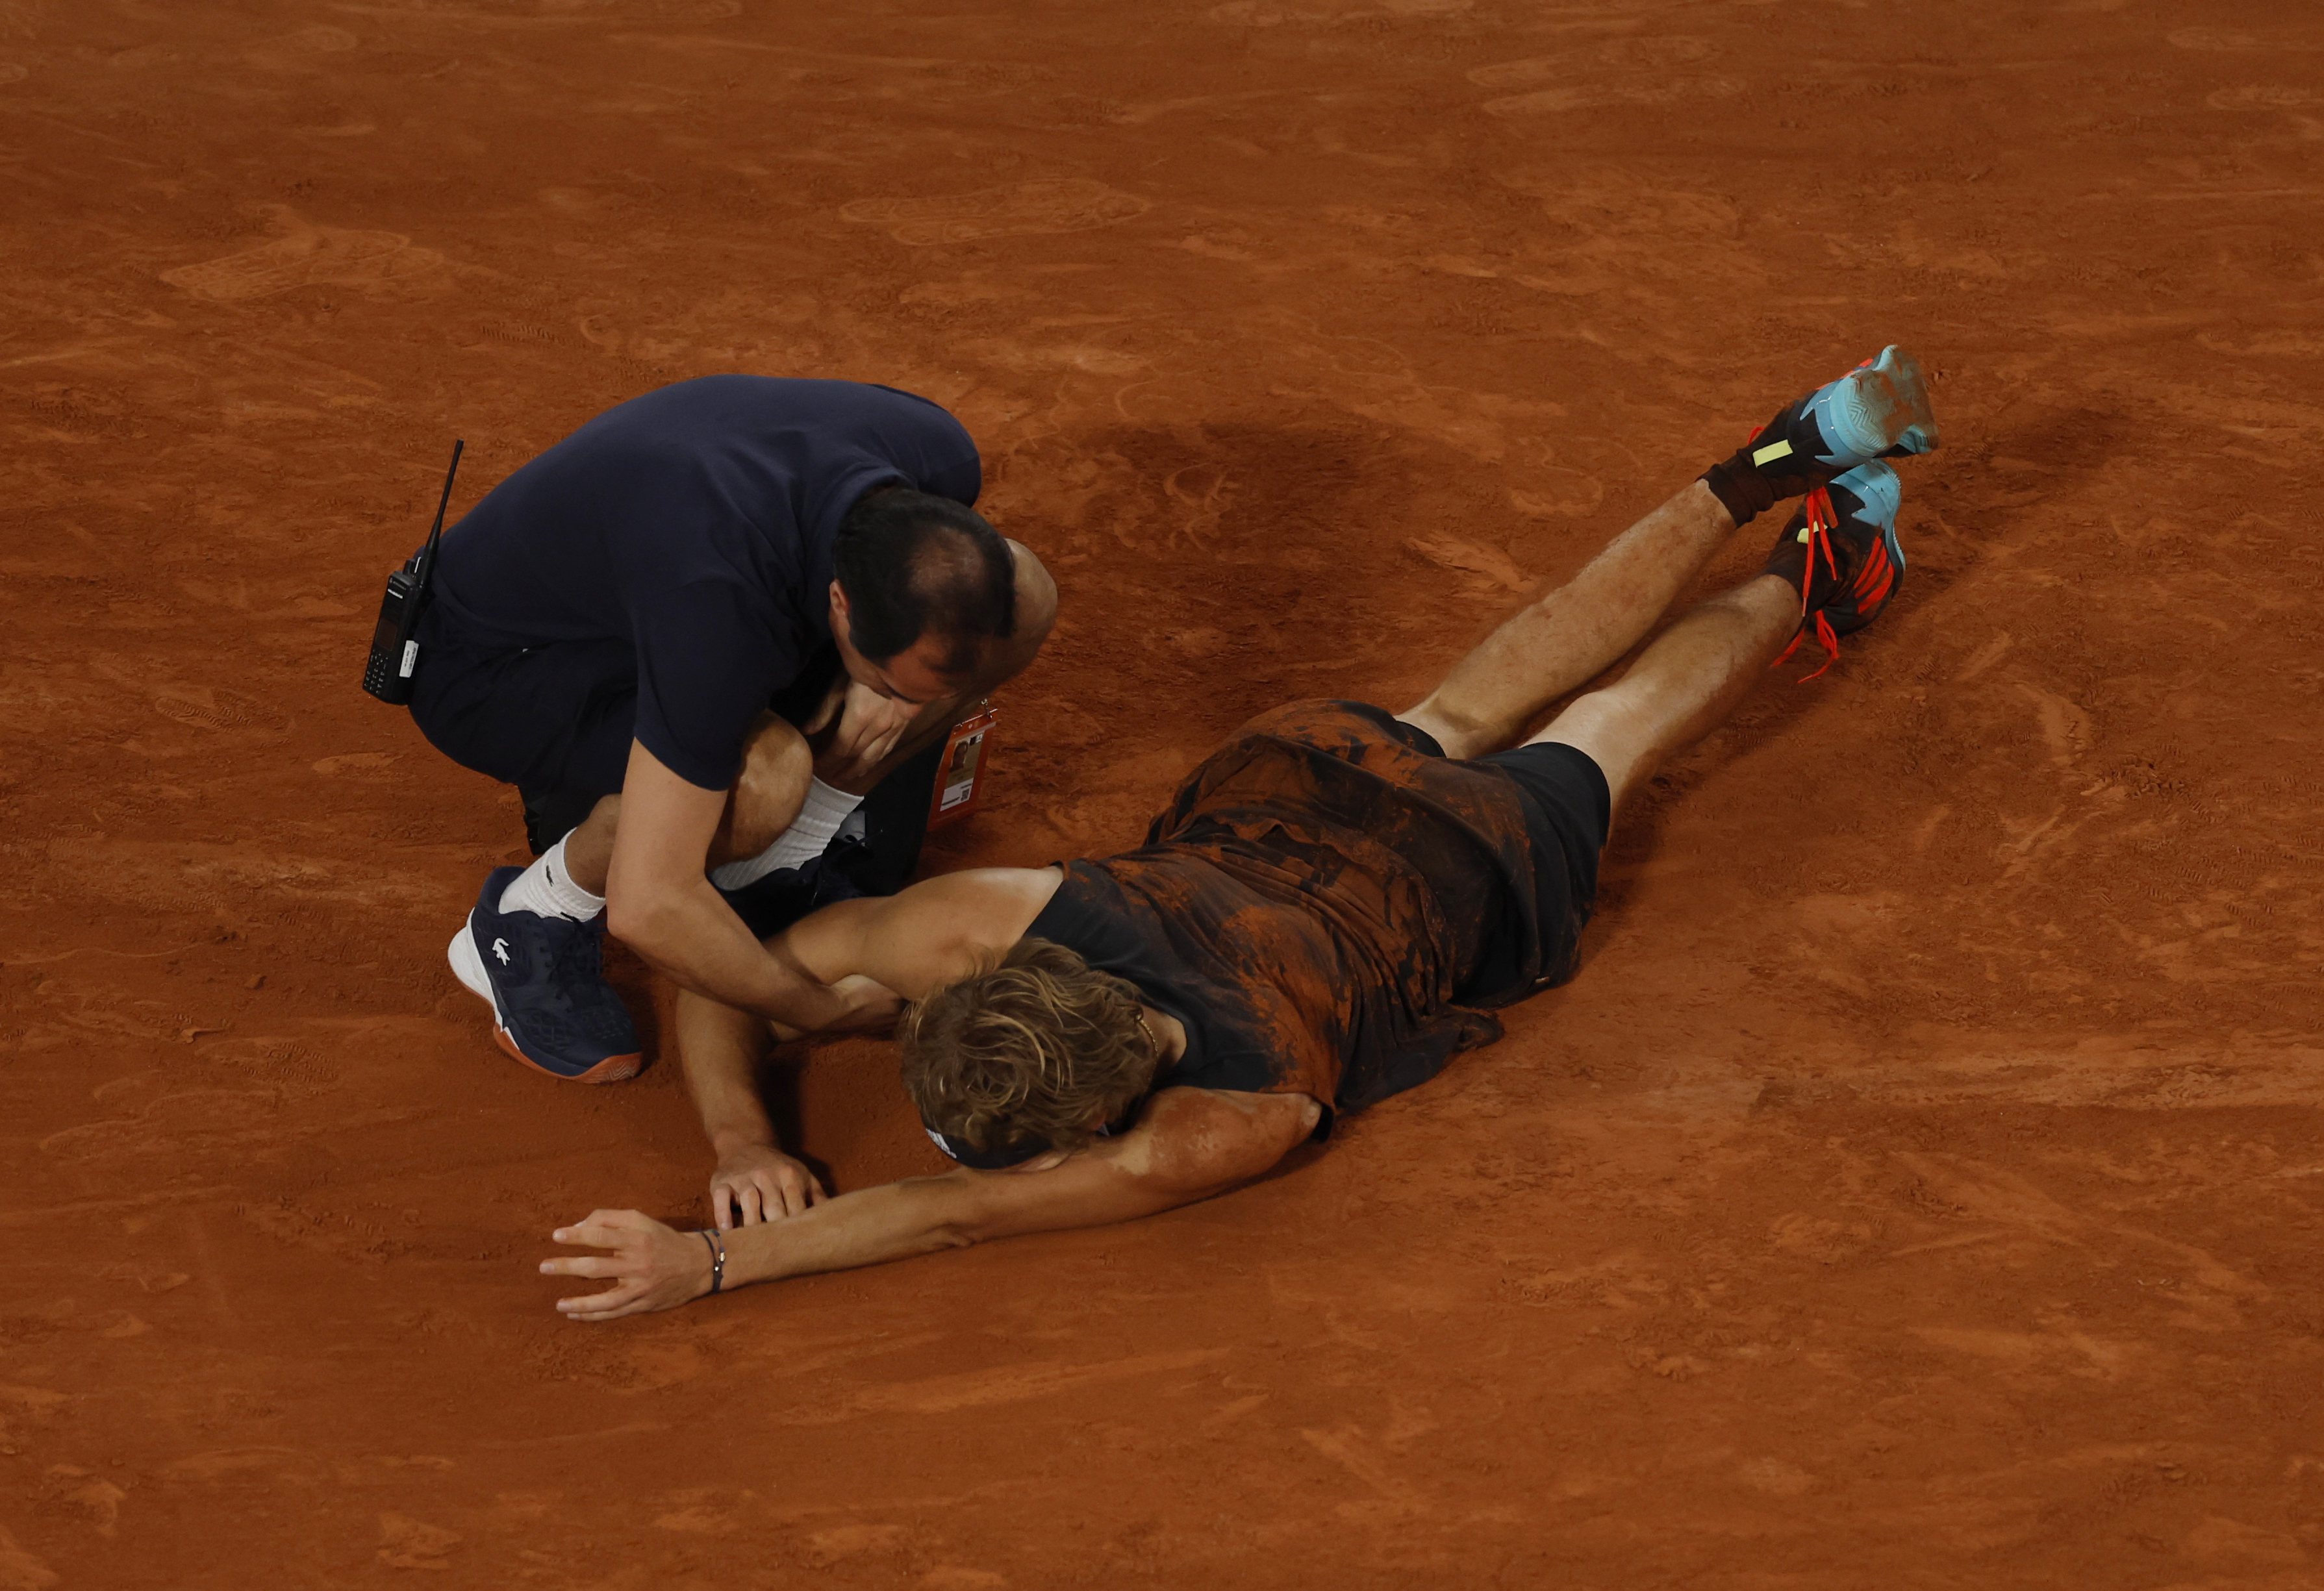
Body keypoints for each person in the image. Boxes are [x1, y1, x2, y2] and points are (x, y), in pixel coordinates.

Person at [537, 347, 1939, 1319]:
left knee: (1614, 726)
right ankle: (1777, 456)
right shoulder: (986, 923)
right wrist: (730, 1153)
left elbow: (949, 1214)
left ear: (1091, 1120)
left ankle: (1813, 566)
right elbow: (743, 970)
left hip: (1455, 864)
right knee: (1480, 680)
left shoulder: (1226, 1120)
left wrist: (714, 1261)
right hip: (1287, 773)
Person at [403, 376, 1057, 1088]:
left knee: (1025, 590)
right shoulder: (714, 604)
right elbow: (650, 905)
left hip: (662, 569)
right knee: (764, 777)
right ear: (839, 603)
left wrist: (896, 687)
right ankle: (534, 913)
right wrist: (819, 1006)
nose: (908, 709)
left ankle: (786, 861)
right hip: (493, 669)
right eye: (894, 690)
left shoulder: (938, 453)